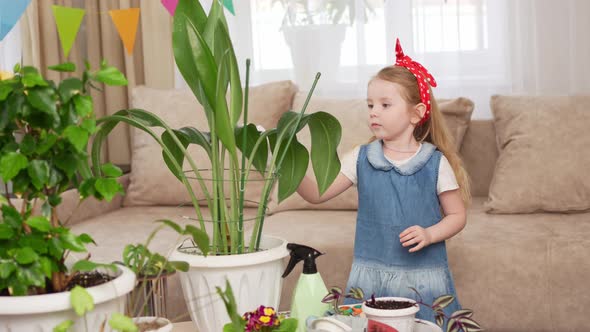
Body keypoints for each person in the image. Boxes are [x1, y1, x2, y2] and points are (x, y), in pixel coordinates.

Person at [296, 39, 471, 325]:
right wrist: (284, 161)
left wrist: (429, 234)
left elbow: (457, 215)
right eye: (370, 104)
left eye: (385, 104)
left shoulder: (435, 163)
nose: (373, 111)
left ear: (416, 114)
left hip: (423, 278)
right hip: (371, 276)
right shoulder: (360, 158)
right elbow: (316, 194)